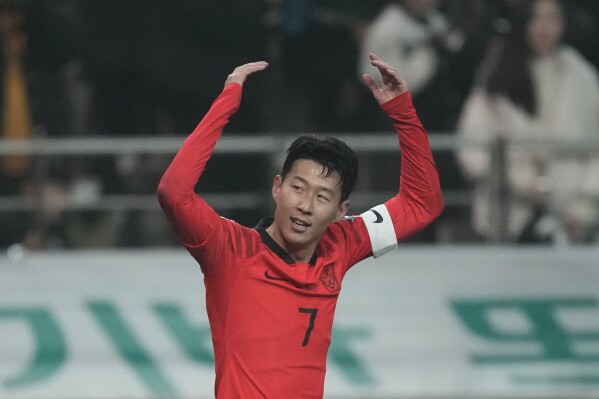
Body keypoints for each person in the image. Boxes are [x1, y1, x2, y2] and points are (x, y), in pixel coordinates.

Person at [157, 53, 443, 398]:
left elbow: (422, 202)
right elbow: (174, 193)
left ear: (341, 210)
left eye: (322, 197)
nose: (305, 206)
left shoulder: (343, 242)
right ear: (277, 187)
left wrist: (402, 112)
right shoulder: (230, 249)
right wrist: (228, 102)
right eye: (297, 188)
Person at [456, 0, 599, 244]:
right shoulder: (498, 71)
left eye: (553, 19)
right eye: (538, 18)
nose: (545, 28)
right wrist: (518, 179)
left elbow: (594, 146)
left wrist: (582, 206)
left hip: (570, 214)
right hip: (508, 214)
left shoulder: (581, 75)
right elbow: (472, 144)